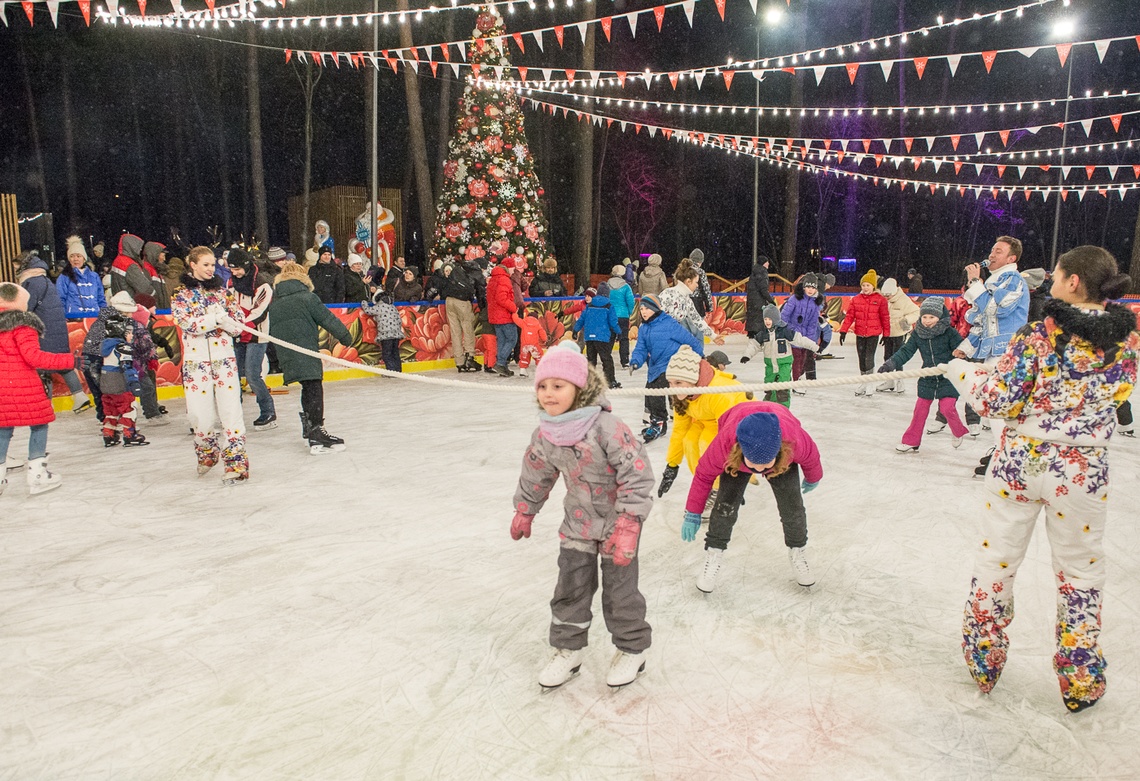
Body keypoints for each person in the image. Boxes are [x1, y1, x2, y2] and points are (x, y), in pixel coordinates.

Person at [945, 245, 1138, 712]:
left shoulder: (1037, 336)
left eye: (1056, 274)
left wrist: (961, 374)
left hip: (1021, 464)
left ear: (1073, 282)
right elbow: (1118, 393)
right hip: (1082, 471)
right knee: (1081, 571)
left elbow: (998, 401)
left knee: (998, 560)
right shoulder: (1128, 342)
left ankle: (983, 659)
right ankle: (1079, 677)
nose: (1049, 279)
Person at [510, 341, 655, 689]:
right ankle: (567, 650)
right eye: (542, 386)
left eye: (557, 386)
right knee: (570, 589)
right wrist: (525, 509)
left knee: (620, 594)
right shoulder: (546, 433)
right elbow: (537, 472)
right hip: (577, 524)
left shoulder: (606, 427)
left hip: (618, 525)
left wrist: (629, 523)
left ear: (580, 388)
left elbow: (636, 473)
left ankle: (633, 650)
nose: (548, 394)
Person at [681, 403, 822, 592]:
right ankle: (714, 553)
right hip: (736, 458)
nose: (760, 470)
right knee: (725, 507)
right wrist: (692, 513)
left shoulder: (793, 440)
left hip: (781, 458)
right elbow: (703, 475)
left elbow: (811, 456)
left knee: (792, 507)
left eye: (765, 465)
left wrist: (814, 478)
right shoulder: (726, 445)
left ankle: (797, 551)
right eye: (754, 464)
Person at [171, 246, 250, 484]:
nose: (210, 269)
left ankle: (236, 463)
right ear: (192, 265)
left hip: (224, 359)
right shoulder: (180, 295)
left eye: (213, 265)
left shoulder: (223, 293)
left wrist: (226, 322)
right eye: (205, 264)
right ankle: (207, 452)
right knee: (199, 415)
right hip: (197, 364)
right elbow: (187, 324)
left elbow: (239, 325)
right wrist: (214, 319)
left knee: (231, 412)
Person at [955, 236, 1031, 474]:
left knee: (1000, 403)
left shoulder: (1013, 279)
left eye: (999, 251)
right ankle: (1002, 449)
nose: (992, 254)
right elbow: (982, 321)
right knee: (996, 404)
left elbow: (997, 309)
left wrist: (975, 282)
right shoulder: (992, 282)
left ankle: (1006, 453)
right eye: (992, 249)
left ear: (1011, 258)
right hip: (992, 353)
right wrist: (966, 347)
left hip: (1008, 352)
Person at [268, 262, 354, 454]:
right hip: (305, 350)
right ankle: (316, 432)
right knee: (314, 386)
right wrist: (346, 338)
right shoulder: (307, 298)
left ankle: (311, 430)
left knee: (308, 387)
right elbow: (328, 319)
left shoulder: (276, 303)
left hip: (286, 353)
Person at [0, 282, 75, 496]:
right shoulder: (22, 325)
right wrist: (71, 361)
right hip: (23, 386)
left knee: (3, 428)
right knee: (39, 425)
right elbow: (34, 357)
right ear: (18, 302)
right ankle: (37, 475)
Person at [657, 345, 750, 501]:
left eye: (678, 382)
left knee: (707, 443)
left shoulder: (717, 393)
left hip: (737, 421)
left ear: (692, 379)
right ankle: (706, 483)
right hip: (706, 419)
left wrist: (733, 481)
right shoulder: (683, 395)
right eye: (670, 382)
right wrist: (672, 466)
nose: (672, 388)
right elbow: (679, 431)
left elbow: (728, 436)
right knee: (689, 441)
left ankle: (720, 488)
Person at [877, 297, 970, 453]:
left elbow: (961, 351)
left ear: (940, 316)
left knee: (947, 408)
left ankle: (958, 430)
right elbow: (906, 351)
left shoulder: (949, 333)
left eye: (931, 317)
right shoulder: (918, 333)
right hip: (928, 376)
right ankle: (911, 440)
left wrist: (962, 358)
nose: (927, 321)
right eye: (924, 317)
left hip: (948, 377)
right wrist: (891, 364)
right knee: (920, 410)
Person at [15, 250, 92, 413]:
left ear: (24, 265)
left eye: (16, 265)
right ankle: (80, 396)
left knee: (42, 366)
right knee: (63, 363)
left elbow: (26, 307)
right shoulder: (44, 279)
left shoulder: (31, 282)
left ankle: (45, 404)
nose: (15, 269)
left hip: (44, 330)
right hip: (57, 328)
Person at [629, 294, 704, 443]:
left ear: (655, 309)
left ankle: (659, 422)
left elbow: (690, 340)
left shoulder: (669, 324)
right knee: (649, 392)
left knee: (656, 391)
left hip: (671, 366)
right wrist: (635, 361)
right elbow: (641, 348)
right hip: (655, 366)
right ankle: (657, 423)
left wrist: (701, 357)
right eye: (642, 309)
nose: (643, 312)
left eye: (647, 309)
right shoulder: (644, 328)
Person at [228, 249, 277, 430]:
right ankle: (232, 413)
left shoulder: (262, 284)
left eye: (238, 269)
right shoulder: (230, 283)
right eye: (232, 270)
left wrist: (240, 324)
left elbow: (260, 312)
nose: (235, 273)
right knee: (232, 376)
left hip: (257, 334)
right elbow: (229, 305)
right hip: (237, 334)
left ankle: (268, 412)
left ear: (247, 266)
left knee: (252, 375)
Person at [743, 304, 818, 408]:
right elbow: (754, 345)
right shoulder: (763, 333)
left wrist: (815, 347)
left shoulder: (785, 331)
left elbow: (801, 340)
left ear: (776, 319)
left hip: (784, 365)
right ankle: (768, 407)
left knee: (782, 388)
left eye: (770, 319)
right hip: (770, 366)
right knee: (769, 386)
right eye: (765, 319)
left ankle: (783, 408)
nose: (767, 321)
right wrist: (747, 355)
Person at [97, 314, 149, 447]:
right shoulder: (122, 347)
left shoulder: (105, 346)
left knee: (111, 409)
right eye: (129, 332)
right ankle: (129, 434)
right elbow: (127, 367)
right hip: (119, 383)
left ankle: (109, 434)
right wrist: (134, 383)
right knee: (129, 408)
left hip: (105, 384)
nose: (131, 336)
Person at [838, 269, 890, 396]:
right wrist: (843, 331)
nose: (865, 288)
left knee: (869, 357)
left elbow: (885, 317)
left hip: (873, 334)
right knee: (861, 359)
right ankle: (863, 382)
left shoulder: (880, 300)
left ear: (873, 286)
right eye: (863, 285)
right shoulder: (856, 299)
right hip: (860, 333)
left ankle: (869, 382)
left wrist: (886, 334)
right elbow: (850, 316)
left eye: (868, 285)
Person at [658, 259, 724, 345]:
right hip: (660, 340)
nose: (697, 285)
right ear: (688, 281)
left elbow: (697, 320)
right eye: (696, 282)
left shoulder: (687, 300)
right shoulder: (667, 294)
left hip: (672, 341)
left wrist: (713, 336)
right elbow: (656, 317)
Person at [876, 277, 920, 394]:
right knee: (887, 357)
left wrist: (906, 320)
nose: (887, 297)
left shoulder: (903, 300)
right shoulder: (883, 299)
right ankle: (889, 381)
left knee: (898, 358)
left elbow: (916, 311)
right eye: (885, 295)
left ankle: (900, 380)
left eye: (889, 295)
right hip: (888, 333)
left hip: (900, 333)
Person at [780, 272, 823, 388]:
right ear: (803, 287)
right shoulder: (794, 299)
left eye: (813, 287)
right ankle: (795, 382)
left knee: (803, 359)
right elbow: (784, 316)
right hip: (793, 334)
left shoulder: (815, 303)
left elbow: (813, 324)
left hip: (805, 337)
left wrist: (809, 340)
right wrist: (787, 331)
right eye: (808, 287)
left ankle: (797, 378)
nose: (810, 290)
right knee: (796, 359)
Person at [572, 286, 620, 388]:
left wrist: (575, 330)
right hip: (602, 337)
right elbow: (613, 322)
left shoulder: (589, 305)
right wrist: (619, 332)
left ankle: (589, 382)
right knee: (606, 359)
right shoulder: (608, 305)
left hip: (589, 337)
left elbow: (581, 319)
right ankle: (610, 381)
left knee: (591, 360)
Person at [441, 261, 480, 373]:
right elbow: (479, 290)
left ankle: (459, 361)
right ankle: (470, 356)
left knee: (455, 331)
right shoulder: (473, 273)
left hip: (449, 300)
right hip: (462, 301)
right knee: (467, 329)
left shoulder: (456, 271)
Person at [56, 236, 106, 316]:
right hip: (73, 318)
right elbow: (60, 300)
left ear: (84, 258)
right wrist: (63, 317)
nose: (75, 259)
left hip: (94, 317)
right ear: (69, 259)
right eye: (72, 256)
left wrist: (103, 315)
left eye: (78, 256)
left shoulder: (94, 276)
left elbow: (101, 298)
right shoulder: (64, 277)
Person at [486, 260, 519, 377]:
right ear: (507, 267)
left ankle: (503, 367)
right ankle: (500, 363)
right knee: (512, 339)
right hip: (504, 316)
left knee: (502, 340)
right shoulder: (504, 279)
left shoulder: (493, 279)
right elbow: (502, 298)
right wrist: (514, 307)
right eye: (512, 268)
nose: (513, 270)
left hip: (495, 316)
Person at [361, 290, 404, 373]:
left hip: (386, 334)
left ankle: (391, 372)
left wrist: (364, 302)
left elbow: (368, 311)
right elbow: (399, 320)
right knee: (395, 353)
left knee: (387, 354)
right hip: (396, 334)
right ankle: (398, 371)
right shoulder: (392, 306)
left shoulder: (379, 306)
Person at [110, 233, 155, 300]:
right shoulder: (130, 265)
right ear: (132, 247)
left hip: (118, 302)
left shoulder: (117, 260)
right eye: (138, 247)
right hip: (130, 304)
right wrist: (153, 294)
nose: (140, 250)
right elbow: (144, 288)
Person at [607, 264, 636, 368]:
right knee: (623, 338)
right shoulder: (626, 286)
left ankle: (606, 356)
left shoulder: (607, 285)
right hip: (623, 316)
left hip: (610, 315)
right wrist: (628, 312)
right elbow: (631, 301)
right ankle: (625, 361)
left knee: (610, 337)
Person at [745, 256, 776, 338]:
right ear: (763, 263)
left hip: (752, 299)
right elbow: (763, 289)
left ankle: (751, 333)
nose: (768, 263)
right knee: (759, 318)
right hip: (759, 300)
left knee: (752, 317)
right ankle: (758, 336)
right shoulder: (762, 272)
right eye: (767, 262)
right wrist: (771, 300)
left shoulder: (755, 271)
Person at [513, 310, 548, 379]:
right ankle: (541, 370)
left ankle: (522, 370)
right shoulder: (538, 325)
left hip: (525, 345)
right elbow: (543, 334)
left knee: (524, 357)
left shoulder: (524, 322)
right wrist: (544, 340)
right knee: (539, 357)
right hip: (534, 345)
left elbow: (516, 319)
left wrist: (514, 312)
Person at [142, 241, 171, 310]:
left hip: (161, 313)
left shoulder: (156, 271)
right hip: (156, 313)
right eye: (163, 256)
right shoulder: (146, 270)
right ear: (154, 255)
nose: (164, 259)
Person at [687, 249, 714, 317]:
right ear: (700, 262)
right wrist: (709, 307)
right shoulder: (700, 272)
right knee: (697, 325)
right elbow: (706, 290)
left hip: (683, 303)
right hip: (697, 303)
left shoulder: (683, 271)